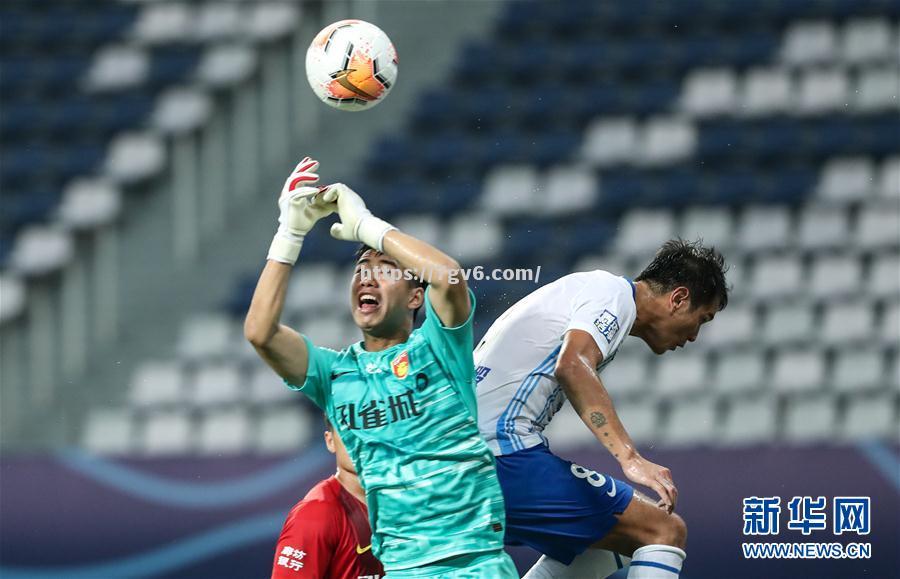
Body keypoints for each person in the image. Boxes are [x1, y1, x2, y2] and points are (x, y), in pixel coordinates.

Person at [245, 156, 518, 578]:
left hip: (473, 564)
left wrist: (368, 225)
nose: (366, 279)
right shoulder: (332, 374)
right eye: (360, 270)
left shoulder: (440, 348)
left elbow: (447, 278)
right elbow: (261, 332)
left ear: (415, 299)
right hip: (402, 569)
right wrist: (290, 233)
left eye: (384, 270)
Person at [474, 239, 729, 579]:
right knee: (664, 530)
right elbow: (572, 366)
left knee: (612, 539)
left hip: (469, 458)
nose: (695, 336)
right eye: (702, 319)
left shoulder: (586, 292)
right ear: (679, 298)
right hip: (499, 454)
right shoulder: (612, 293)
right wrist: (630, 458)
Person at [272, 418, 384, 579]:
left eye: (371, 430)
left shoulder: (413, 506)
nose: (361, 443)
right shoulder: (316, 514)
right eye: (350, 433)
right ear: (330, 441)